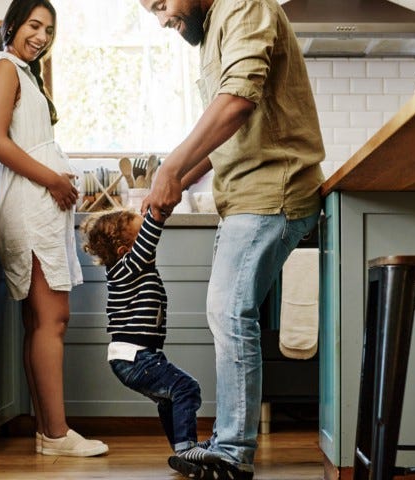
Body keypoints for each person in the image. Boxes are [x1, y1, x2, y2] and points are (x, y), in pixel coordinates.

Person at [137, 0, 326, 477]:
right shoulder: (217, 23)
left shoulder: (244, 4)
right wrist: (177, 178)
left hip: (272, 189)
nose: (162, 20)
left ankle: (233, 452)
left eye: (161, 4)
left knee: (228, 313)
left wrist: (172, 167)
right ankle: (228, 441)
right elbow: (226, 130)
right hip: (245, 194)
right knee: (226, 315)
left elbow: (238, 100)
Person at [0, 0, 107, 457]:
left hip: (37, 206)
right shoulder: (5, 69)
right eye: (34, 25)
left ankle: (47, 432)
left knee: (40, 321)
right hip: (33, 209)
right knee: (53, 320)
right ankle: (56, 434)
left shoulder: (25, 73)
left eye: (49, 30)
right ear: (13, 24)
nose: (41, 36)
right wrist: (52, 178)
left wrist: (59, 177)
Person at [80, 208, 226, 466]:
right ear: (126, 252)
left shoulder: (128, 271)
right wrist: (157, 215)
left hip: (137, 355)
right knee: (185, 388)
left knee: (169, 397)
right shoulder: (126, 268)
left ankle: (183, 448)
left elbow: (145, 242)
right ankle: (186, 448)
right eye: (141, 241)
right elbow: (150, 238)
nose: (150, 249)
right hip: (135, 356)